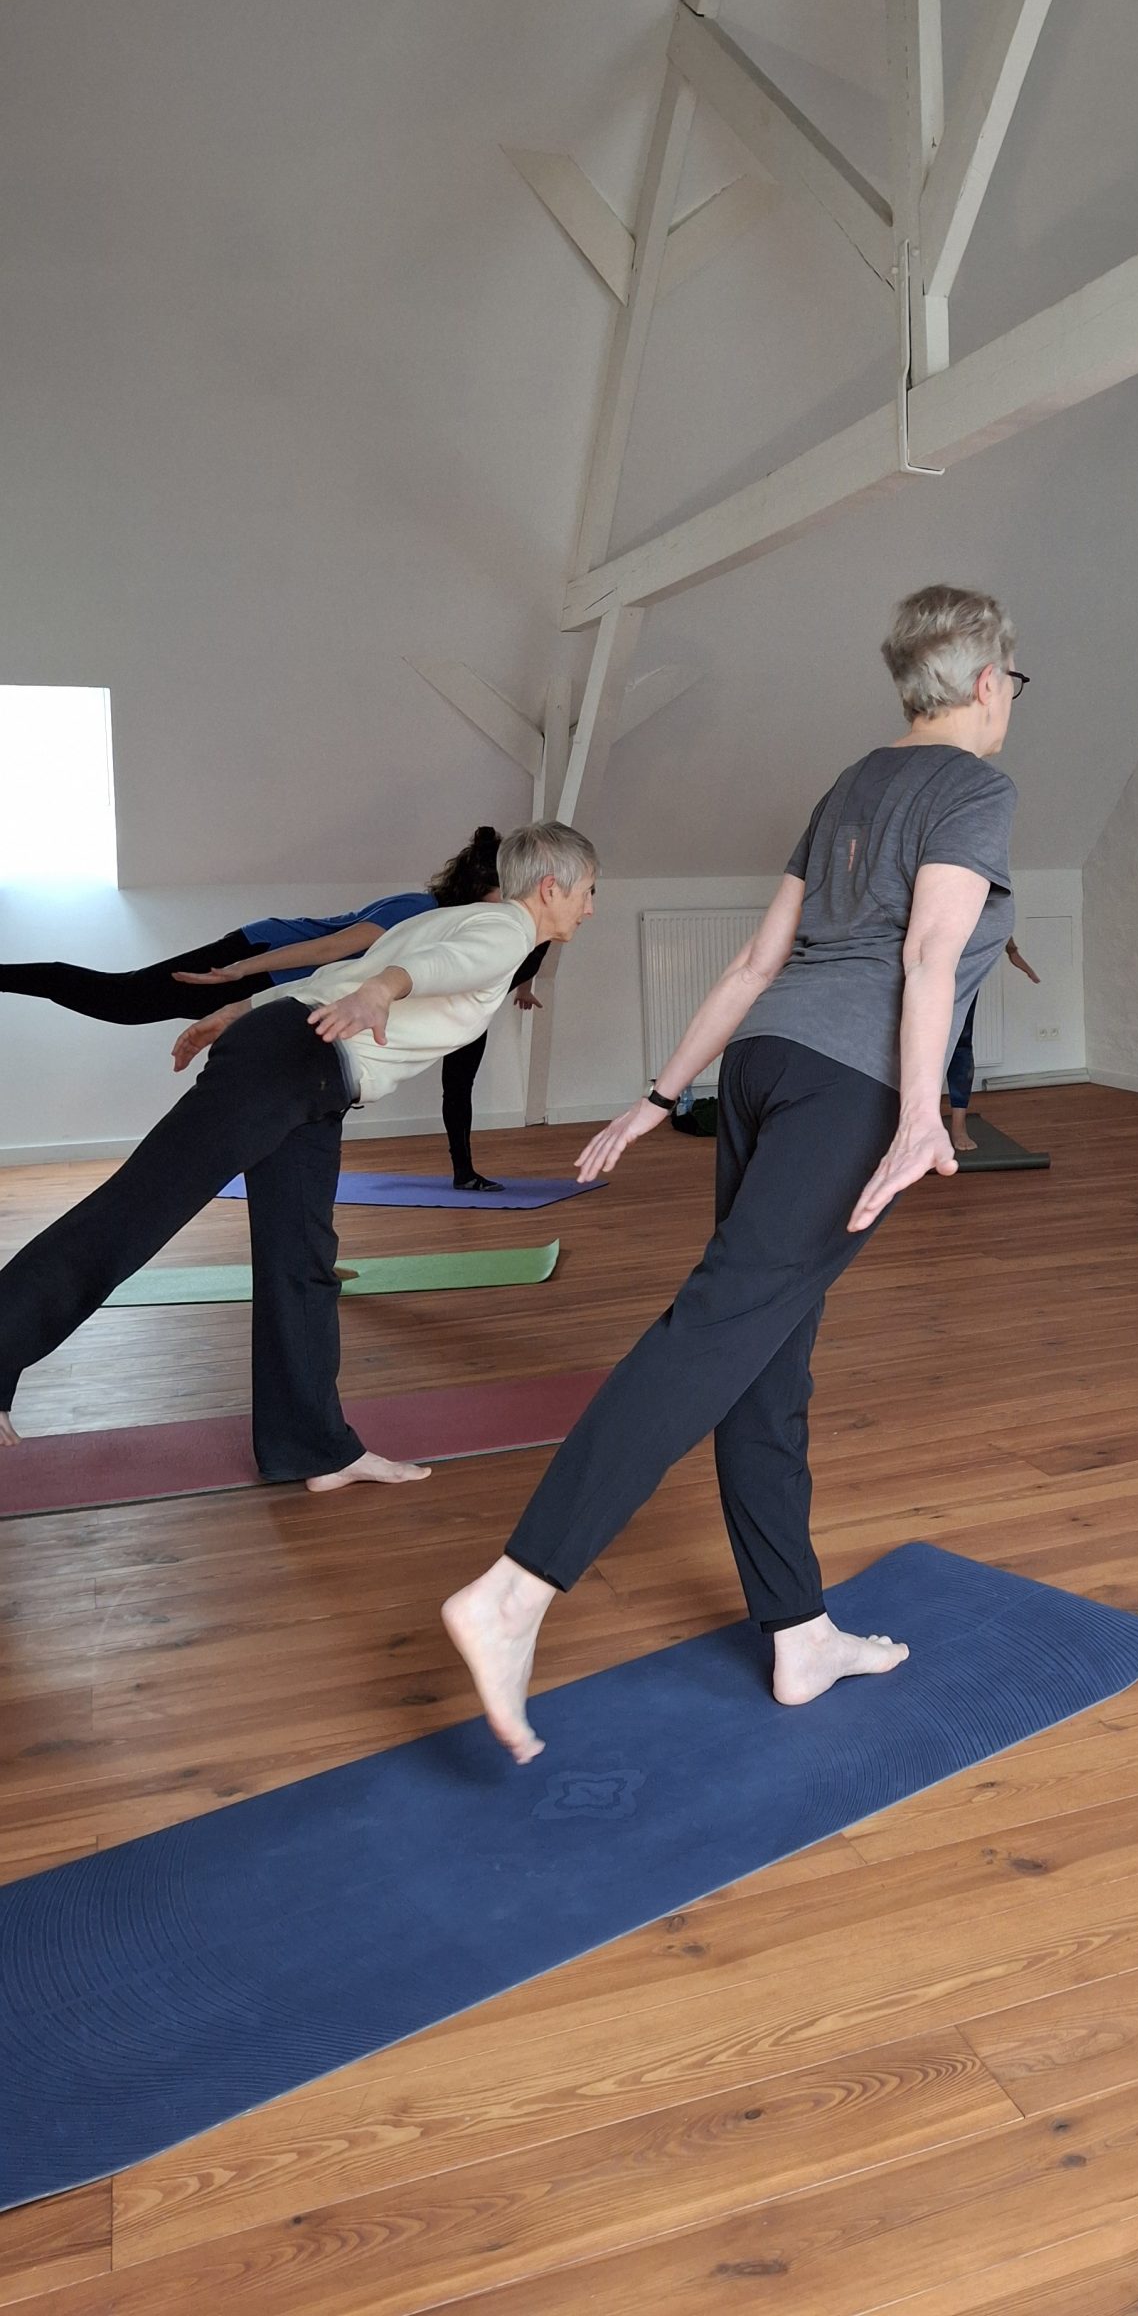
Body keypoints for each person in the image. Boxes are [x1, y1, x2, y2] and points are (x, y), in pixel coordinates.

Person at [442, 585, 1025, 1762]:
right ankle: (516, 1587)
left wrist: (665, 1092)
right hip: (850, 1083)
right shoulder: (977, 787)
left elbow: (760, 961)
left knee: (764, 1352)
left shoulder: (851, 785)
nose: (1013, 697)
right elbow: (927, 951)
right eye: (1013, 678)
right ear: (981, 683)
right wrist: (921, 1114)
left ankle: (797, 1629)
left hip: (765, 1068)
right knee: (718, 1327)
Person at [0, 823, 598, 1487]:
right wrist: (386, 990)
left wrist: (245, 1009)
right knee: (138, 1210)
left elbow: (343, 970)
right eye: (590, 891)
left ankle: (314, 1446)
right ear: (552, 888)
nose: (591, 906)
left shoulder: (455, 918)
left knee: (302, 1260)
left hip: (307, 1072)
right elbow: (426, 972)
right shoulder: (506, 931)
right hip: (294, 1064)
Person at [0, 826, 544, 1191]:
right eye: (506, 894)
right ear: (479, 888)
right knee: (120, 1000)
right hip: (264, 955)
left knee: (125, 1002)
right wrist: (240, 972)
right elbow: (331, 949)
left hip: (278, 981)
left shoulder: (462, 927)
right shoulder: (418, 909)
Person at [945, 935, 1039, 1154]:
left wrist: (1012, 950)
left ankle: (958, 1125)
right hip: (922, 963)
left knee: (961, 1040)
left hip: (965, 969)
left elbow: (995, 907)